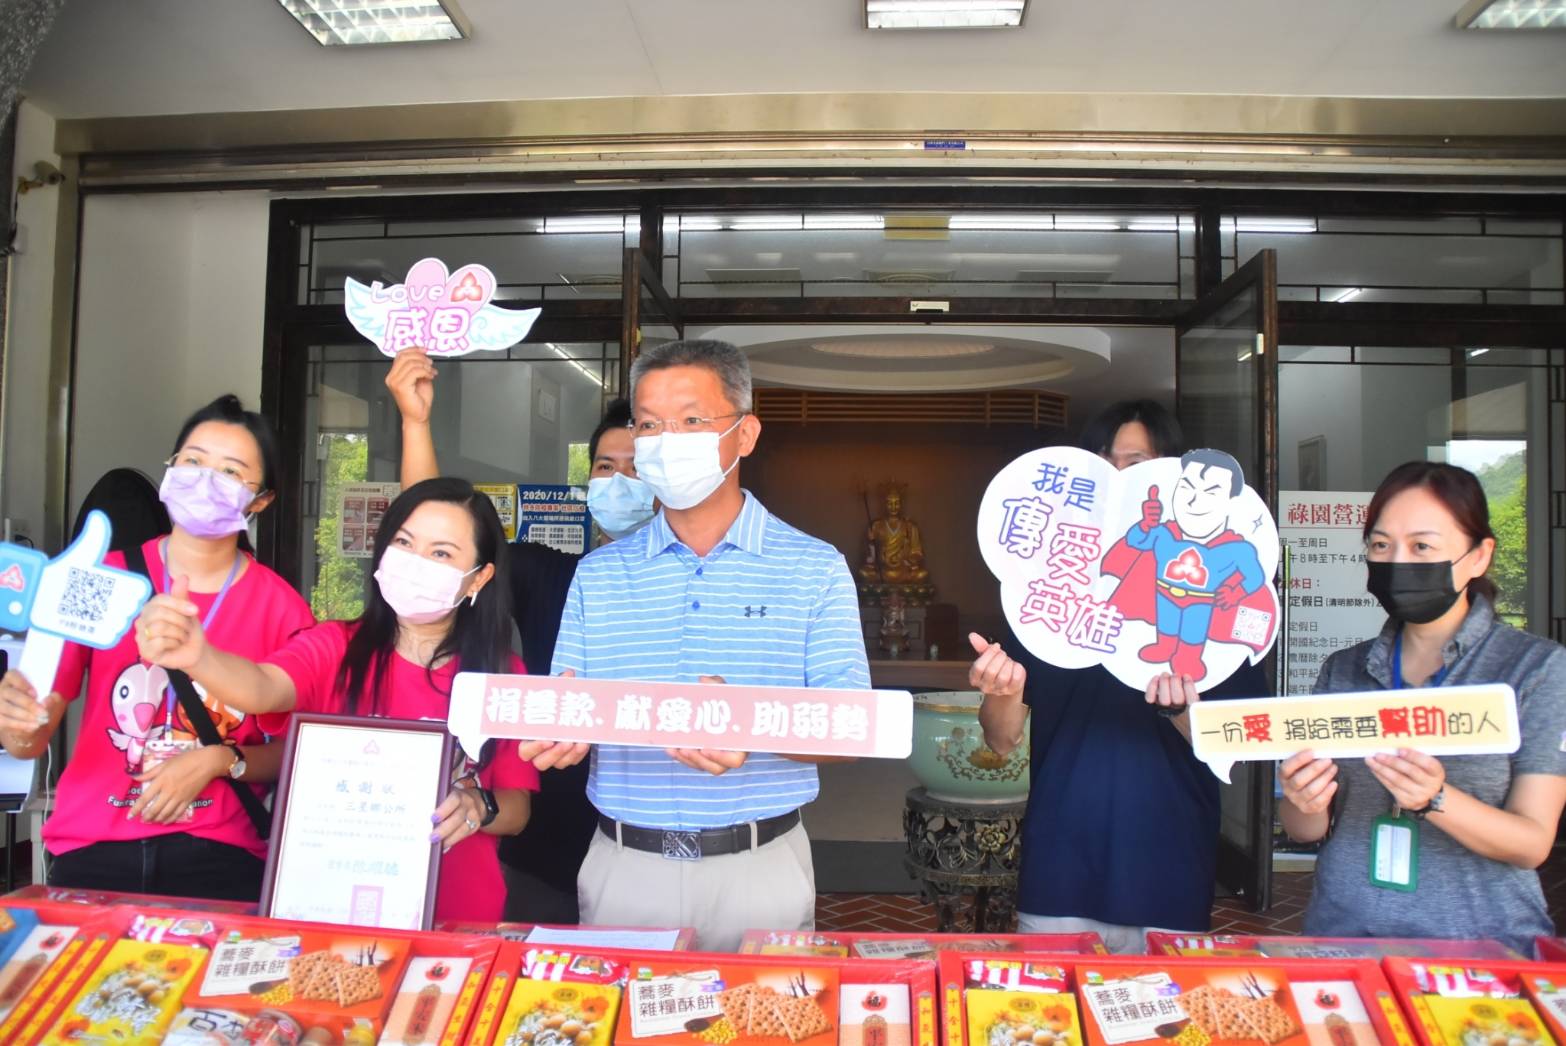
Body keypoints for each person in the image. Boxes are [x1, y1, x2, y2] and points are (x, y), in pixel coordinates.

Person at [522, 338, 871, 951]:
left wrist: (752, 727)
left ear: (745, 433)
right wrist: (557, 736)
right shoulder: (600, 574)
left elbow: (850, 732)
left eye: (690, 421)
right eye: (650, 425)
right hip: (625, 867)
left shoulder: (813, 568)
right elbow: (569, 708)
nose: (665, 441)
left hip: (759, 867)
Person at [134, 477, 539, 923]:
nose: (415, 563)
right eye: (404, 543)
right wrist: (200, 658)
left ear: (479, 577)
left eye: (441, 553)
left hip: (458, 915)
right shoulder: (333, 647)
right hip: (327, 907)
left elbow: (516, 809)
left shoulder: (501, 675)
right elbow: (263, 687)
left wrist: (479, 806)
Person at [969, 399, 1269, 953]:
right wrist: (1001, 693)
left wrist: (1182, 711)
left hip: (1169, 863)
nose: (1111, 475)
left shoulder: (1221, 591)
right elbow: (1001, 737)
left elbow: (1236, 749)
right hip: (1061, 860)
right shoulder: (1047, 586)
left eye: (1132, 462)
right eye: (1099, 460)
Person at [0, 395, 314, 901]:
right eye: (192, 461)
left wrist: (219, 759)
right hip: (92, 850)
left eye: (231, 472)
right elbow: (30, 737)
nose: (205, 479)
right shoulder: (100, 579)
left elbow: (299, 753)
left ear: (260, 501)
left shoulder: (283, 610)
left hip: (220, 856)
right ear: (170, 471)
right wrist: (14, 722)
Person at [385, 350, 652, 922]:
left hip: (648, 845)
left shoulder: (698, 591)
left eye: (637, 468)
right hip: (545, 845)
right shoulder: (549, 573)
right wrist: (415, 421)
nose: (619, 481)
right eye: (605, 467)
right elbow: (440, 537)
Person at [1278, 461, 1566, 954]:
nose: (1397, 562)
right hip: (1344, 939)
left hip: (1482, 947)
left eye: (1422, 546)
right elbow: (1307, 829)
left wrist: (1435, 799)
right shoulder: (1343, 670)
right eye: (1381, 545)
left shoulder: (1535, 669)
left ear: (1479, 557)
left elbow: (1532, 841)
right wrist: (1303, 800)